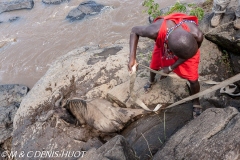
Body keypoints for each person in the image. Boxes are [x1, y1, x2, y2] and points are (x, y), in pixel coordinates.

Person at [128, 13, 203, 118]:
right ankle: (151, 80)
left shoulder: (198, 35)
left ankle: (196, 101)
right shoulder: (154, 31)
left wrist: (170, 67)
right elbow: (134, 30)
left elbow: (189, 54)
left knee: (193, 78)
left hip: (187, 51)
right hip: (166, 40)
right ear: (169, 48)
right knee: (154, 65)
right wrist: (132, 58)